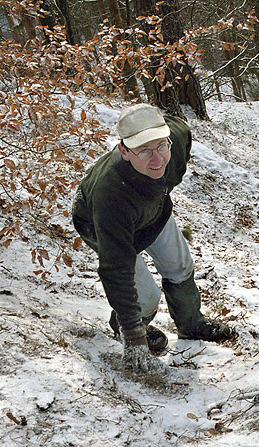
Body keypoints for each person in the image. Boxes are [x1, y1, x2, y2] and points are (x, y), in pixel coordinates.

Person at [72, 103, 233, 374]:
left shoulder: (177, 138)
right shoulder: (110, 196)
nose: (157, 159)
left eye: (161, 146)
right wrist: (134, 335)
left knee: (179, 264)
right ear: (123, 151)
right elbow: (116, 269)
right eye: (144, 151)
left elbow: (174, 126)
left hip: (153, 211)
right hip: (104, 224)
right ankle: (128, 325)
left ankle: (190, 323)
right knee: (146, 296)